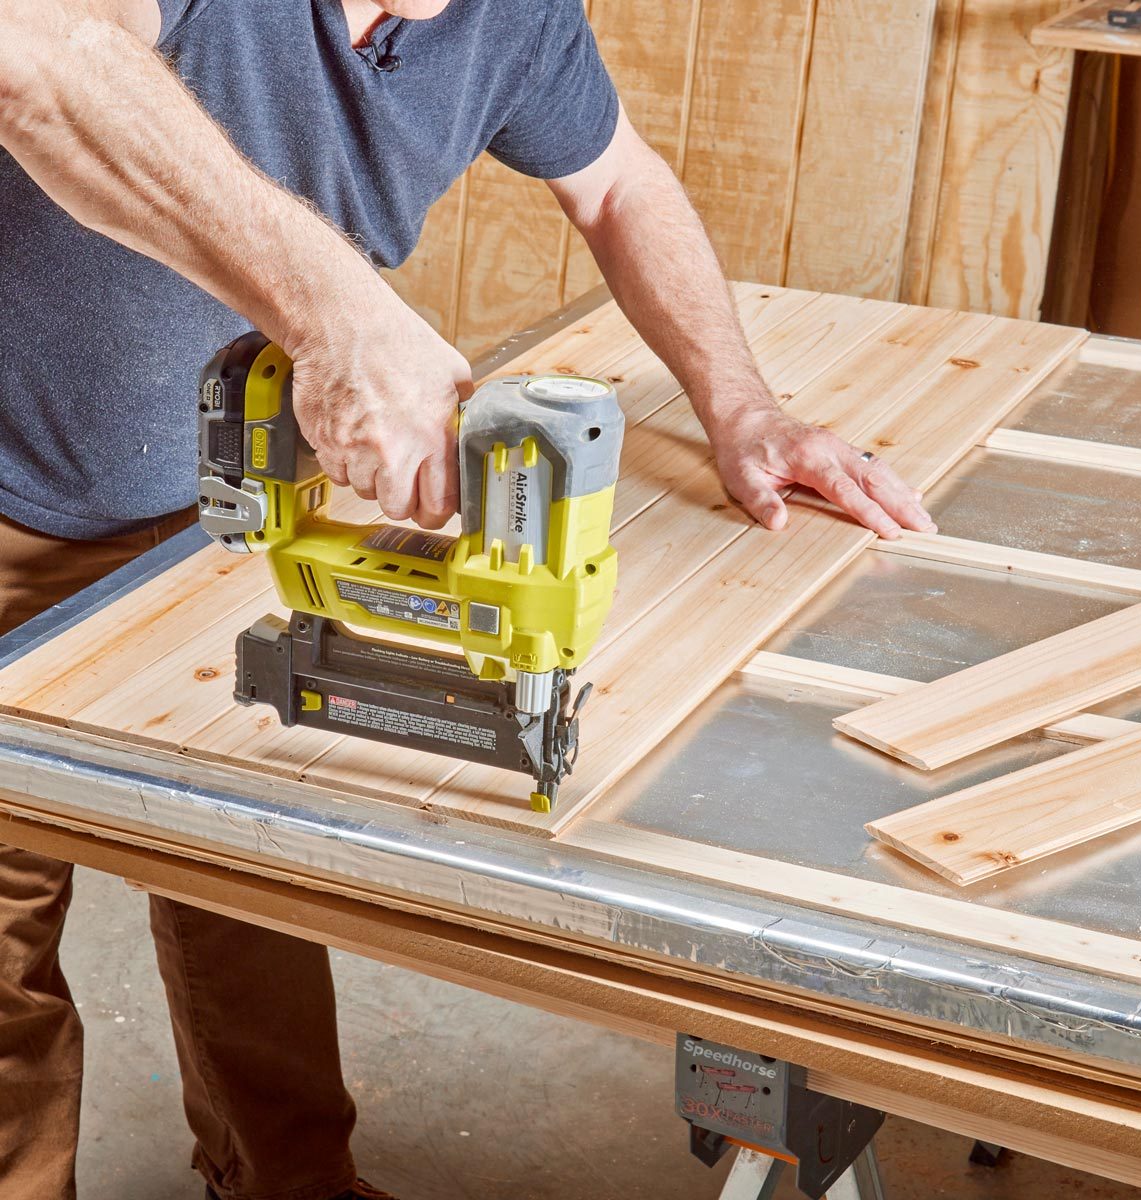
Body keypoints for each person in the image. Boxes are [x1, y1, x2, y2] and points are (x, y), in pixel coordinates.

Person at [0, 2, 938, 1197]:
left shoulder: (518, 19)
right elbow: (36, 51)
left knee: (252, 880)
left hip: (222, 518)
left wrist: (742, 403)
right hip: (15, 494)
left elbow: (617, 187)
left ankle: (291, 1182)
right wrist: (339, 312)